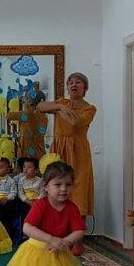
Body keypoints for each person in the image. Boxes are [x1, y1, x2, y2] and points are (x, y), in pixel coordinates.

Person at [1, 161, 87, 266]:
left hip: (59, 255)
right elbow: (27, 227)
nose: (64, 189)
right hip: (36, 254)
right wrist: (50, 239)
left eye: (68, 185)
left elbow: (79, 231)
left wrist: (65, 241)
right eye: (58, 185)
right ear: (46, 186)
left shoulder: (72, 208)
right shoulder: (41, 205)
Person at [36, 73, 96, 216]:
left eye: (78, 82)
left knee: (78, 189)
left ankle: (78, 227)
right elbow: (40, 106)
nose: (74, 85)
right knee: (55, 185)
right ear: (67, 88)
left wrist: (58, 110)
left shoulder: (89, 108)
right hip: (59, 149)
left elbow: (75, 123)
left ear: (85, 88)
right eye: (71, 83)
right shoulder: (62, 103)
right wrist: (61, 107)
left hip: (78, 152)